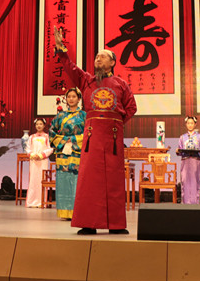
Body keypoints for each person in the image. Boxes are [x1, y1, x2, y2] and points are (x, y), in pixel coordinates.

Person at [53, 26, 137, 235]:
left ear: (113, 62)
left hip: (113, 137)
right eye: (97, 56)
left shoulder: (121, 84)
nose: (98, 59)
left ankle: (116, 224)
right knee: (89, 179)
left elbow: (131, 107)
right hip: (92, 137)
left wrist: (115, 123)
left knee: (114, 180)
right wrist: (61, 48)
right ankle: (89, 223)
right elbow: (70, 67)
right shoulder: (87, 80)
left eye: (103, 56)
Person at [49, 87, 85, 220]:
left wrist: (74, 139)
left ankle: (78, 211)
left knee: (77, 181)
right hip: (63, 151)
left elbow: (89, 133)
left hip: (78, 152)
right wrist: (64, 140)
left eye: (74, 96)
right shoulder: (60, 116)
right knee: (63, 180)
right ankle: (64, 212)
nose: (71, 99)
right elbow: (52, 132)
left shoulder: (84, 115)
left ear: (79, 99)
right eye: (69, 97)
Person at [177, 116, 200, 204]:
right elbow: (180, 149)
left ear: (195, 124)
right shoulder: (182, 137)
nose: (190, 125)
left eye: (192, 123)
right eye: (188, 123)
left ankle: (195, 202)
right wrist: (178, 151)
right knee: (185, 181)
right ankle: (185, 202)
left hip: (196, 161)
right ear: (186, 124)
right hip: (185, 161)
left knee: (195, 181)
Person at [26, 118, 53, 208]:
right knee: (33, 180)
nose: (39, 126)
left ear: (44, 125)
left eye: (41, 124)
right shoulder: (31, 137)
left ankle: (41, 202)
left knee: (42, 180)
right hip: (34, 161)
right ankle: (31, 202)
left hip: (42, 161)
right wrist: (32, 154)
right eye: (37, 124)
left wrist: (41, 155)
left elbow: (50, 148)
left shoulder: (47, 137)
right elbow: (28, 148)